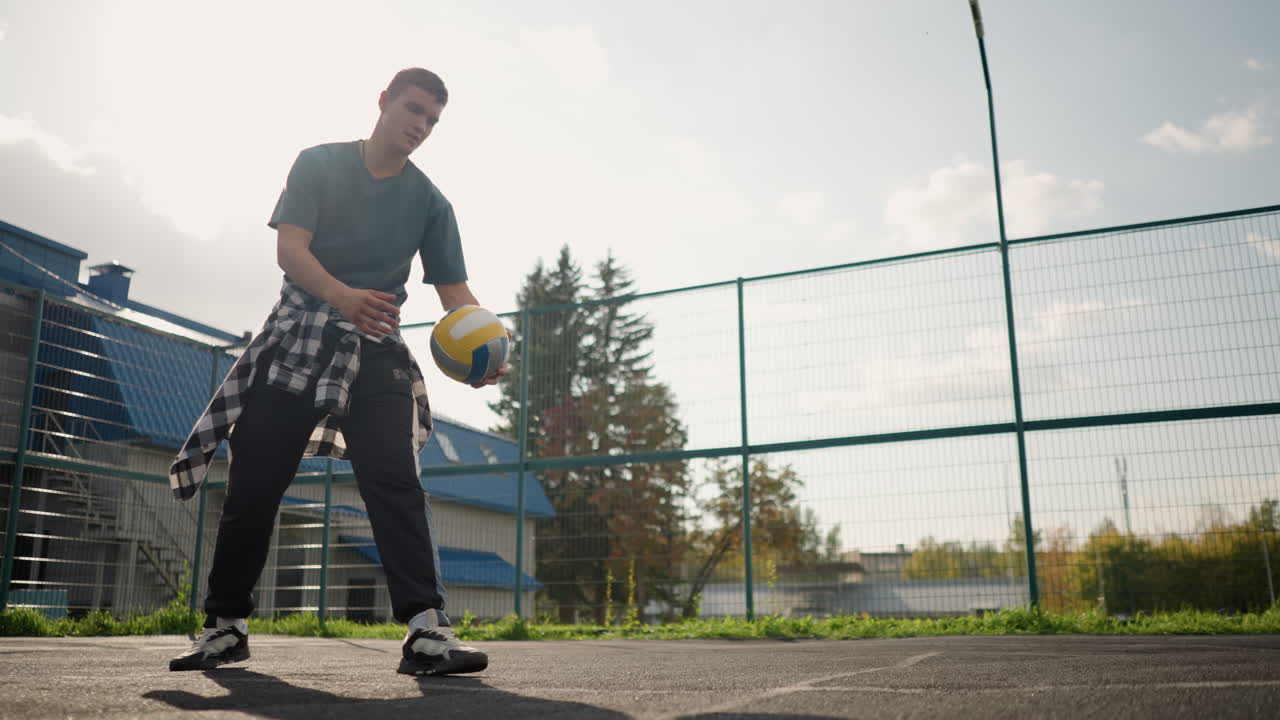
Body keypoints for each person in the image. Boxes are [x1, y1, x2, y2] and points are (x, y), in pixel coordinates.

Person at [166, 68, 505, 675]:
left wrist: (489, 349)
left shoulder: (431, 201)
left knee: (396, 481)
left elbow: (455, 293)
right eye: (413, 109)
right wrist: (343, 295)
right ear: (383, 101)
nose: (420, 125)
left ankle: (427, 630)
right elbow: (290, 249)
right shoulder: (318, 163)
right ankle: (225, 627)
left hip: (374, 349)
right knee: (255, 484)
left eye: (432, 119)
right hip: (296, 336)